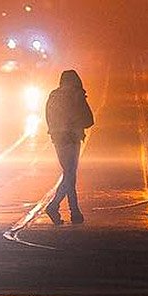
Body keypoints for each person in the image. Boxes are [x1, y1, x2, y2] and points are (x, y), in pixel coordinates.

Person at [43, 68, 94, 225]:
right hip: (72, 139)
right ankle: (54, 206)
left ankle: (75, 212)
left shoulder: (53, 95)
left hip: (58, 140)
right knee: (70, 174)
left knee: (69, 174)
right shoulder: (76, 95)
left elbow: (48, 116)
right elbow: (89, 119)